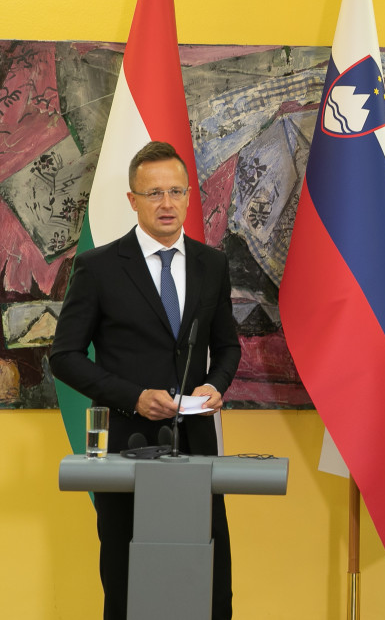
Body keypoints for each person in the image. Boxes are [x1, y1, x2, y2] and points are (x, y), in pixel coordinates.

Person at [50, 140, 241, 620]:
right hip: (124, 446)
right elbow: (65, 356)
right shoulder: (98, 268)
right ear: (132, 200)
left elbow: (229, 347)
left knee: (210, 588)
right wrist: (133, 397)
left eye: (176, 191)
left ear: (190, 196)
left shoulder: (211, 265)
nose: (166, 203)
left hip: (196, 446)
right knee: (129, 585)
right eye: (153, 193)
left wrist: (215, 385)